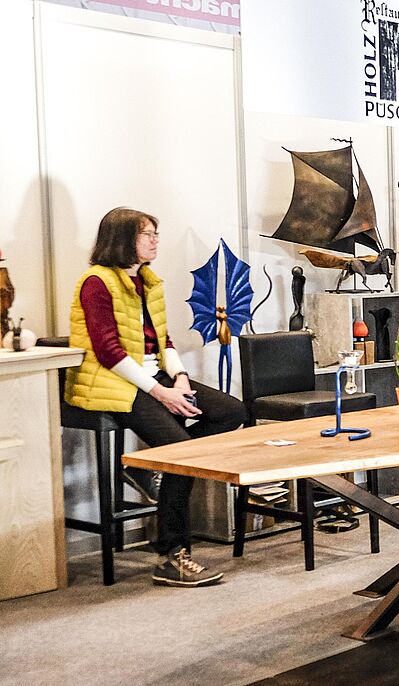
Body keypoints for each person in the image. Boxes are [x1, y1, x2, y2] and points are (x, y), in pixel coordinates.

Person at [66, 208, 247, 587]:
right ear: (120, 240)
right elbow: (108, 351)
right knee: (182, 454)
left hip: (155, 376)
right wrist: (161, 392)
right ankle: (171, 556)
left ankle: (157, 468)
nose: (154, 240)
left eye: (155, 233)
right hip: (113, 382)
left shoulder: (149, 281)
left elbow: (163, 340)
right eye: (146, 234)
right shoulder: (95, 282)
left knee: (231, 411)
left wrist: (179, 377)